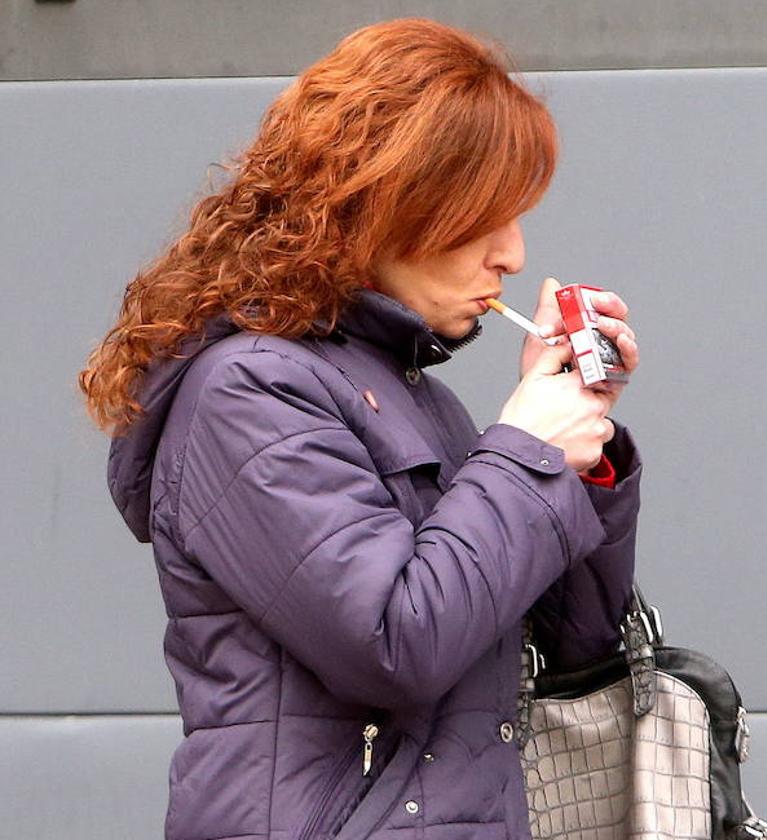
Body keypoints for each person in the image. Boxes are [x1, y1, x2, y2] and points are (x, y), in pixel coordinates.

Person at [77, 18, 641, 840]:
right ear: (384, 203)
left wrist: (578, 448)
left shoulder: (422, 399)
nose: (513, 254)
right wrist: (525, 456)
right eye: (482, 217)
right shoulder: (249, 392)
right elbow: (394, 646)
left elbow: (576, 646)